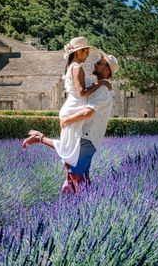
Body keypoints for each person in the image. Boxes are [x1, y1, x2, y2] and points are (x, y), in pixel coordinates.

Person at [22, 37, 116, 193]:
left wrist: (67, 119)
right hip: (80, 125)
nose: (92, 60)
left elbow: (87, 109)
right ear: (78, 52)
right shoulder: (84, 73)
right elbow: (83, 94)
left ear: (107, 70)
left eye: (99, 63)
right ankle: (81, 200)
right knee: (74, 168)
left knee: (71, 160)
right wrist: (100, 83)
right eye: (86, 51)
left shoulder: (98, 86)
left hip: (84, 130)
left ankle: (40, 139)